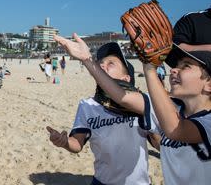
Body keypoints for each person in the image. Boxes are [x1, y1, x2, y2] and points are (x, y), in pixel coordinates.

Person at [55, 34, 211, 184]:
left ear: (209, 84)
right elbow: (122, 97)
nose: (173, 70)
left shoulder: (207, 120)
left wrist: (149, 68)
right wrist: (87, 59)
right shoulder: (169, 106)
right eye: (176, 66)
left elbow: (175, 130)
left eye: (186, 66)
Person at [48, 39, 154, 184]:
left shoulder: (139, 104)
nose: (103, 66)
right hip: (101, 181)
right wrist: (65, 142)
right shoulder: (87, 105)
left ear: (126, 78)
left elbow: (160, 144)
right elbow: (77, 144)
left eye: (111, 64)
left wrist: (150, 121)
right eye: (101, 64)